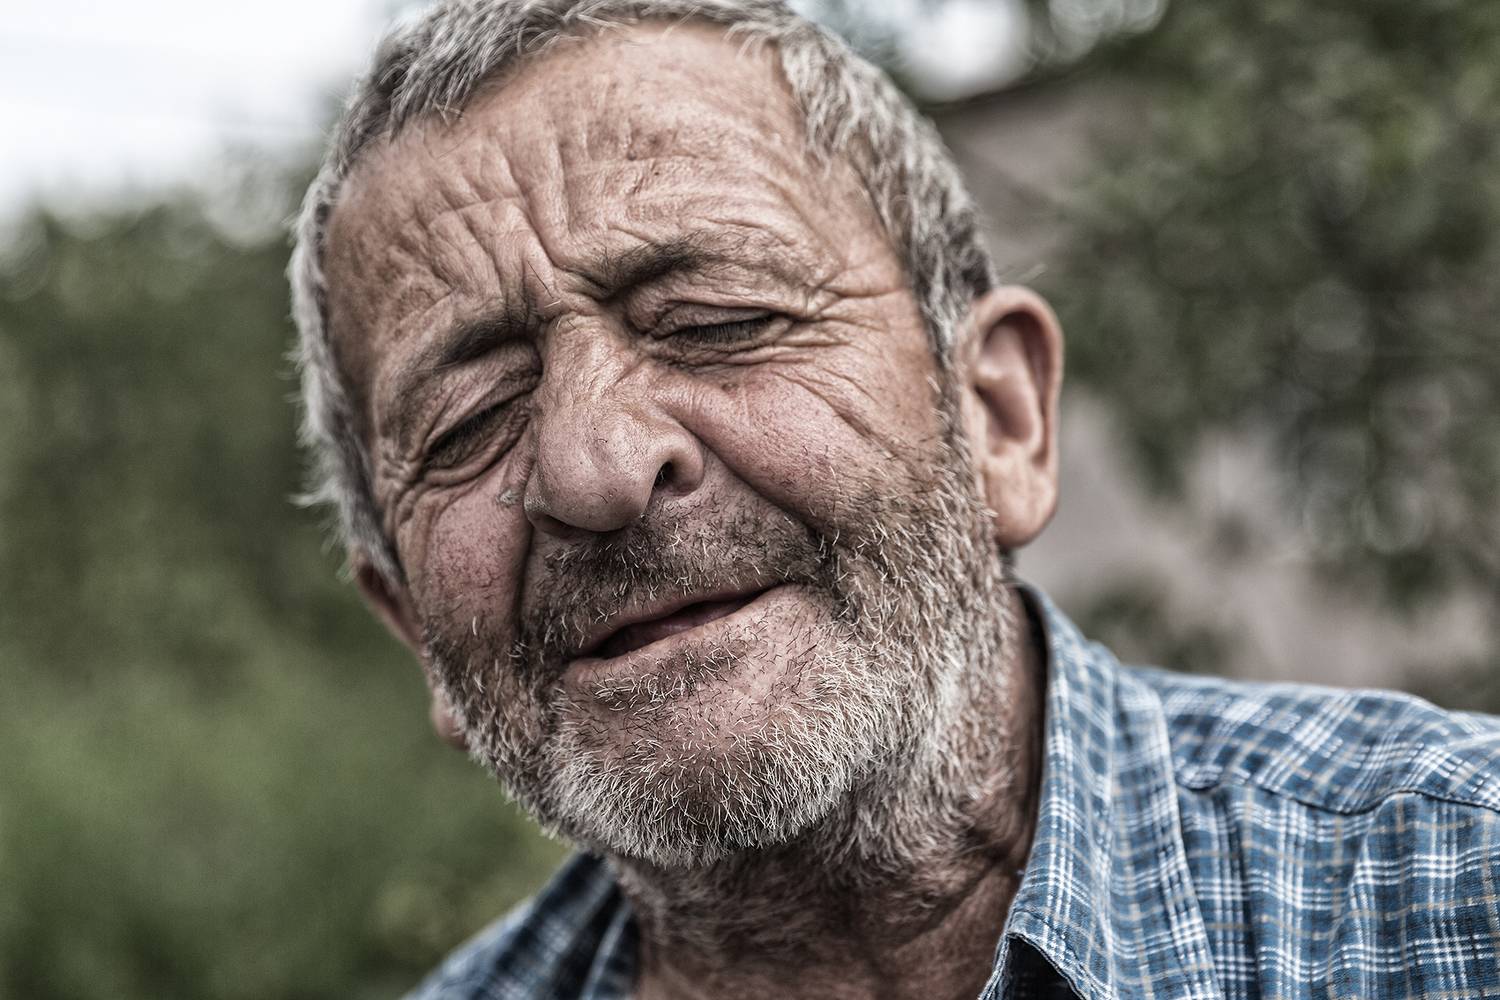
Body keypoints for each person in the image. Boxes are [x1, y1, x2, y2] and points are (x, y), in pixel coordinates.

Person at [288, 2, 1500, 997]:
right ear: (413, 627)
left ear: (999, 417)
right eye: (471, 420)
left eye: (716, 321)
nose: (597, 469)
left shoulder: (1456, 886)